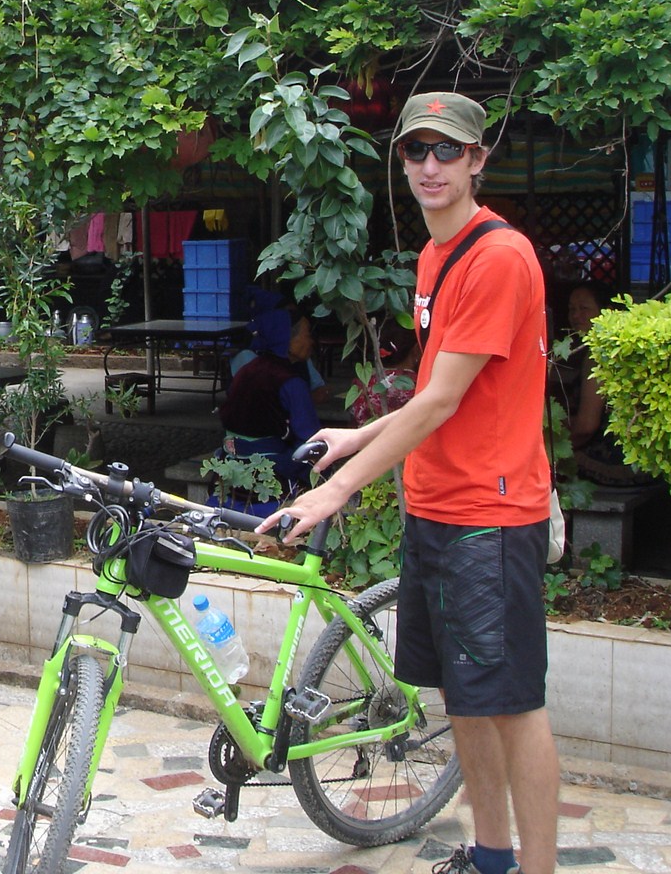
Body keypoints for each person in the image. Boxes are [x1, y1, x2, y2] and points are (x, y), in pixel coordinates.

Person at [257, 91, 558, 874]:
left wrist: (339, 487)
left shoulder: (498, 258)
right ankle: (491, 857)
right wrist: (359, 435)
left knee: (513, 706)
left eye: (448, 150)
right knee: (464, 699)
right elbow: (437, 391)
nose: (431, 165)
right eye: (417, 150)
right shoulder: (435, 256)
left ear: (478, 159)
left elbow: (442, 402)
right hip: (436, 507)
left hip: (490, 518)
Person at [214, 309, 321, 513]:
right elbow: (310, 440)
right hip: (272, 481)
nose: (311, 341)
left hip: (229, 472)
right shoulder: (291, 383)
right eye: (307, 334)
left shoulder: (247, 370)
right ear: (287, 339)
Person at [561, 282, 644, 486]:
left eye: (584, 308)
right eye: (571, 309)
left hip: (614, 461)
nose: (576, 316)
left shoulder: (598, 356)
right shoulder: (620, 346)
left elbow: (586, 426)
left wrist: (557, 450)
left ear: (608, 311)